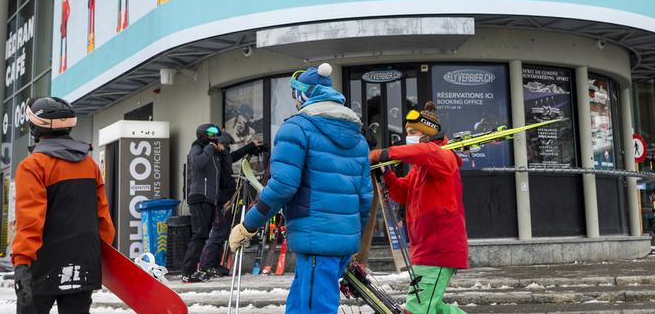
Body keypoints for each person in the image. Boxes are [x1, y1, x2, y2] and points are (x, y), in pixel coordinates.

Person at [229, 63, 373, 313]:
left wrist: (248, 225)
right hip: (340, 241)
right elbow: (365, 197)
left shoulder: (297, 128)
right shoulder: (358, 138)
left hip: (315, 238)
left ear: (304, 95)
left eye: (296, 96)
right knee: (300, 304)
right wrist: (351, 237)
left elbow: (283, 185)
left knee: (314, 307)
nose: (295, 102)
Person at [11, 97, 115, 314]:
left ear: (34, 127)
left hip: (42, 264)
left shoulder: (33, 165)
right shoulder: (90, 164)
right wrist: (98, 257)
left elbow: (30, 221)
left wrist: (21, 263)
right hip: (83, 263)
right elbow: (103, 219)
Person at [369, 101, 468, 314]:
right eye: (407, 132)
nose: (408, 137)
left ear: (427, 134)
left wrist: (383, 154)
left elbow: (427, 153)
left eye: (413, 132)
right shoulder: (420, 167)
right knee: (435, 307)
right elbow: (401, 192)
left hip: (439, 248)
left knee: (417, 308)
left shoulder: (443, 156)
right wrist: (386, 174)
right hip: (424, 248)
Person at [183, 124, 262, 282]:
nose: (215, 137)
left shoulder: (215, 155)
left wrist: (250, 147)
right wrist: (211, 148)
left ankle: (199, 269)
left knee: (205, 235)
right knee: (200, 235)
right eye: (211, 134)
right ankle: (189, 271)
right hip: (199, 197)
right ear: (203, 135)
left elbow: (229, 158)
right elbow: (198, 163)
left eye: (216, 135)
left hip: (210, 199)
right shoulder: (197, 148)